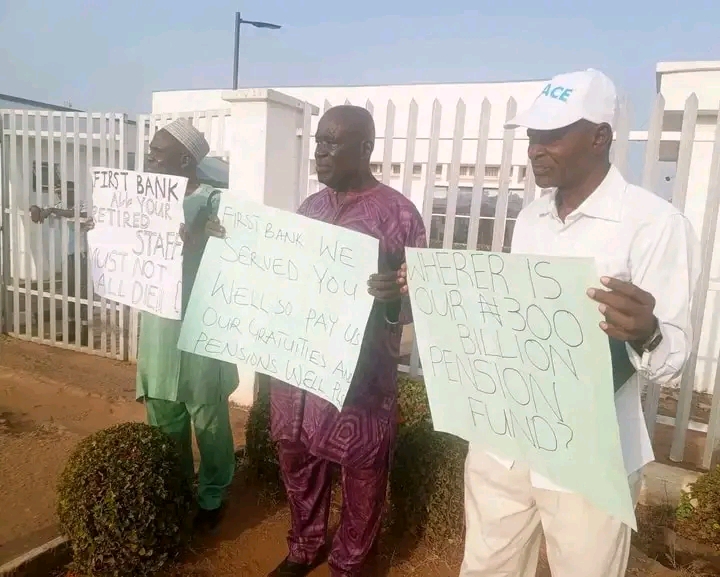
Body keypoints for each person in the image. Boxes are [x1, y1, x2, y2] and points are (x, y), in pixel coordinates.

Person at [455, 69, 700, 577]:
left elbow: (671, 363)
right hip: (506, 437)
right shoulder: (531, 218)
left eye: (552, 136)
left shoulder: (654, 225)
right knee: (486, 564)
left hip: (589, 453)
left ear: (599, 137)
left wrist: (648, 331)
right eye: (532, 136)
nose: (535, 150)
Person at [207, 105, 427, 577]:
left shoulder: (400, 216)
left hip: (360, 378)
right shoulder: (310, 209)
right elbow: (278, 273)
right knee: (297, 459)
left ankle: (350, 562)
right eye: (318, 141)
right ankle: (305, 546)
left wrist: (395, 298)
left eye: (332, 142)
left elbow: (421, 305)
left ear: (364, 148)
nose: (320, 151)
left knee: (362, 472)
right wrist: (228, 244)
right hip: (298, 371)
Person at [91, 118, 238, 531]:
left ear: (186, 160)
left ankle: (212, 495)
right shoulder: (141, 198)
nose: (150, 158)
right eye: (151, 151)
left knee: (208, 416)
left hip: (201, 323)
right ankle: (175, 489)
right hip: (159, 326)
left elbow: (236, 248)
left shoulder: (214, 202)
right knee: (163, 413)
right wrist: (104, 233)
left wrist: (210, 237)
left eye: (159, 152)